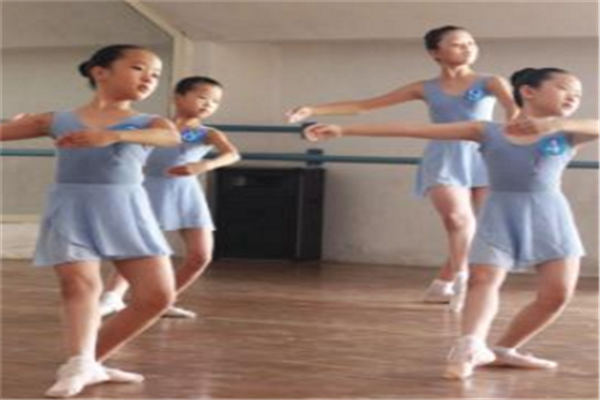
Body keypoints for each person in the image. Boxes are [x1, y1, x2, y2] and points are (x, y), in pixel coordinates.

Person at [302, 67, 597, 380]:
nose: (573, 96)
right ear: (528, 91)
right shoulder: (487, 131)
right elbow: (413, 129)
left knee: (557, 295)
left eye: (578, 94)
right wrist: (344, 130)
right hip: (499, 212)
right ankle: (470, 345)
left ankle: (504, 349)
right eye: (564, 88)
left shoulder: (569, 134)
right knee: (483, 278)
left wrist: (555, 123)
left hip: (550, 215)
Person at [287, 25, 518, 312]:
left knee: (484, 227)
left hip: (486, 154)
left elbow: (513, 110)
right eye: (458, 44)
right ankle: (462, 281)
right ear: (435, 53)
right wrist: (312, 110)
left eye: (471, 43)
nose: (468, 48)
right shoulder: (424, 88)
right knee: (458, 220)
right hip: (444, 156)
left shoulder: (491, 81)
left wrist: (513, 139)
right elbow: (365, 106)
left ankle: (441, 284)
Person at [1, 44, 182, 398]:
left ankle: (89, 362)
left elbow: (170, 137)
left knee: (157, 296)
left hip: (128, 209)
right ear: (100, 72)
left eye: (156, 74)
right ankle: (80, 363)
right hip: (72, 207)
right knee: (80, 287)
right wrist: (16, 122)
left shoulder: (151, 122)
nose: (150, 78)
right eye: (139, 68)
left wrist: (115, 134)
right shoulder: (56, 120)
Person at [100, 76, 240, 319]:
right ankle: (112, 297)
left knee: (200, 256)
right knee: (138, 248)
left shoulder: (204, 133)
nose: (208, 104)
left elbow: (232, 154)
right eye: (202, 97)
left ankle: (161, 301)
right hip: (149, 190)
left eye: (215, 102)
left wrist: (204, 165)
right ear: (178, 97)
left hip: (187, 194)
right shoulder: (152, 126)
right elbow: (115, 141)